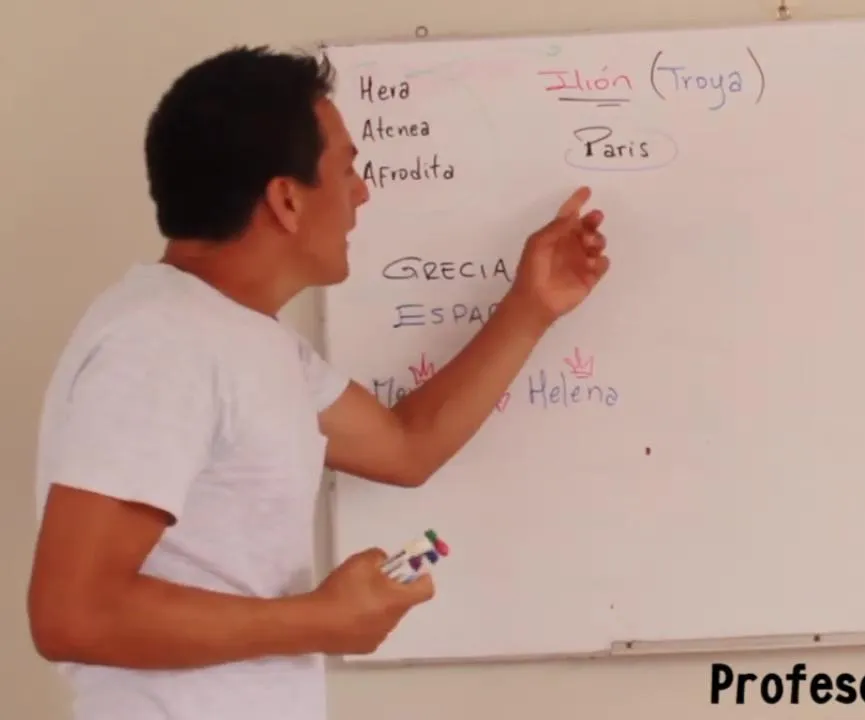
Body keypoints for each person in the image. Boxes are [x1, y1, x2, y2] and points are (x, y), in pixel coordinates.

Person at [25, 45, 609, 720]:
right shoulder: (160, 342)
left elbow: (407, 446)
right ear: (286, 199)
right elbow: (74, 613)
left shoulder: (248, 341)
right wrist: (322, 620)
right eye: (347, 169)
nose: (362, 192)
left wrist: (530, 307)